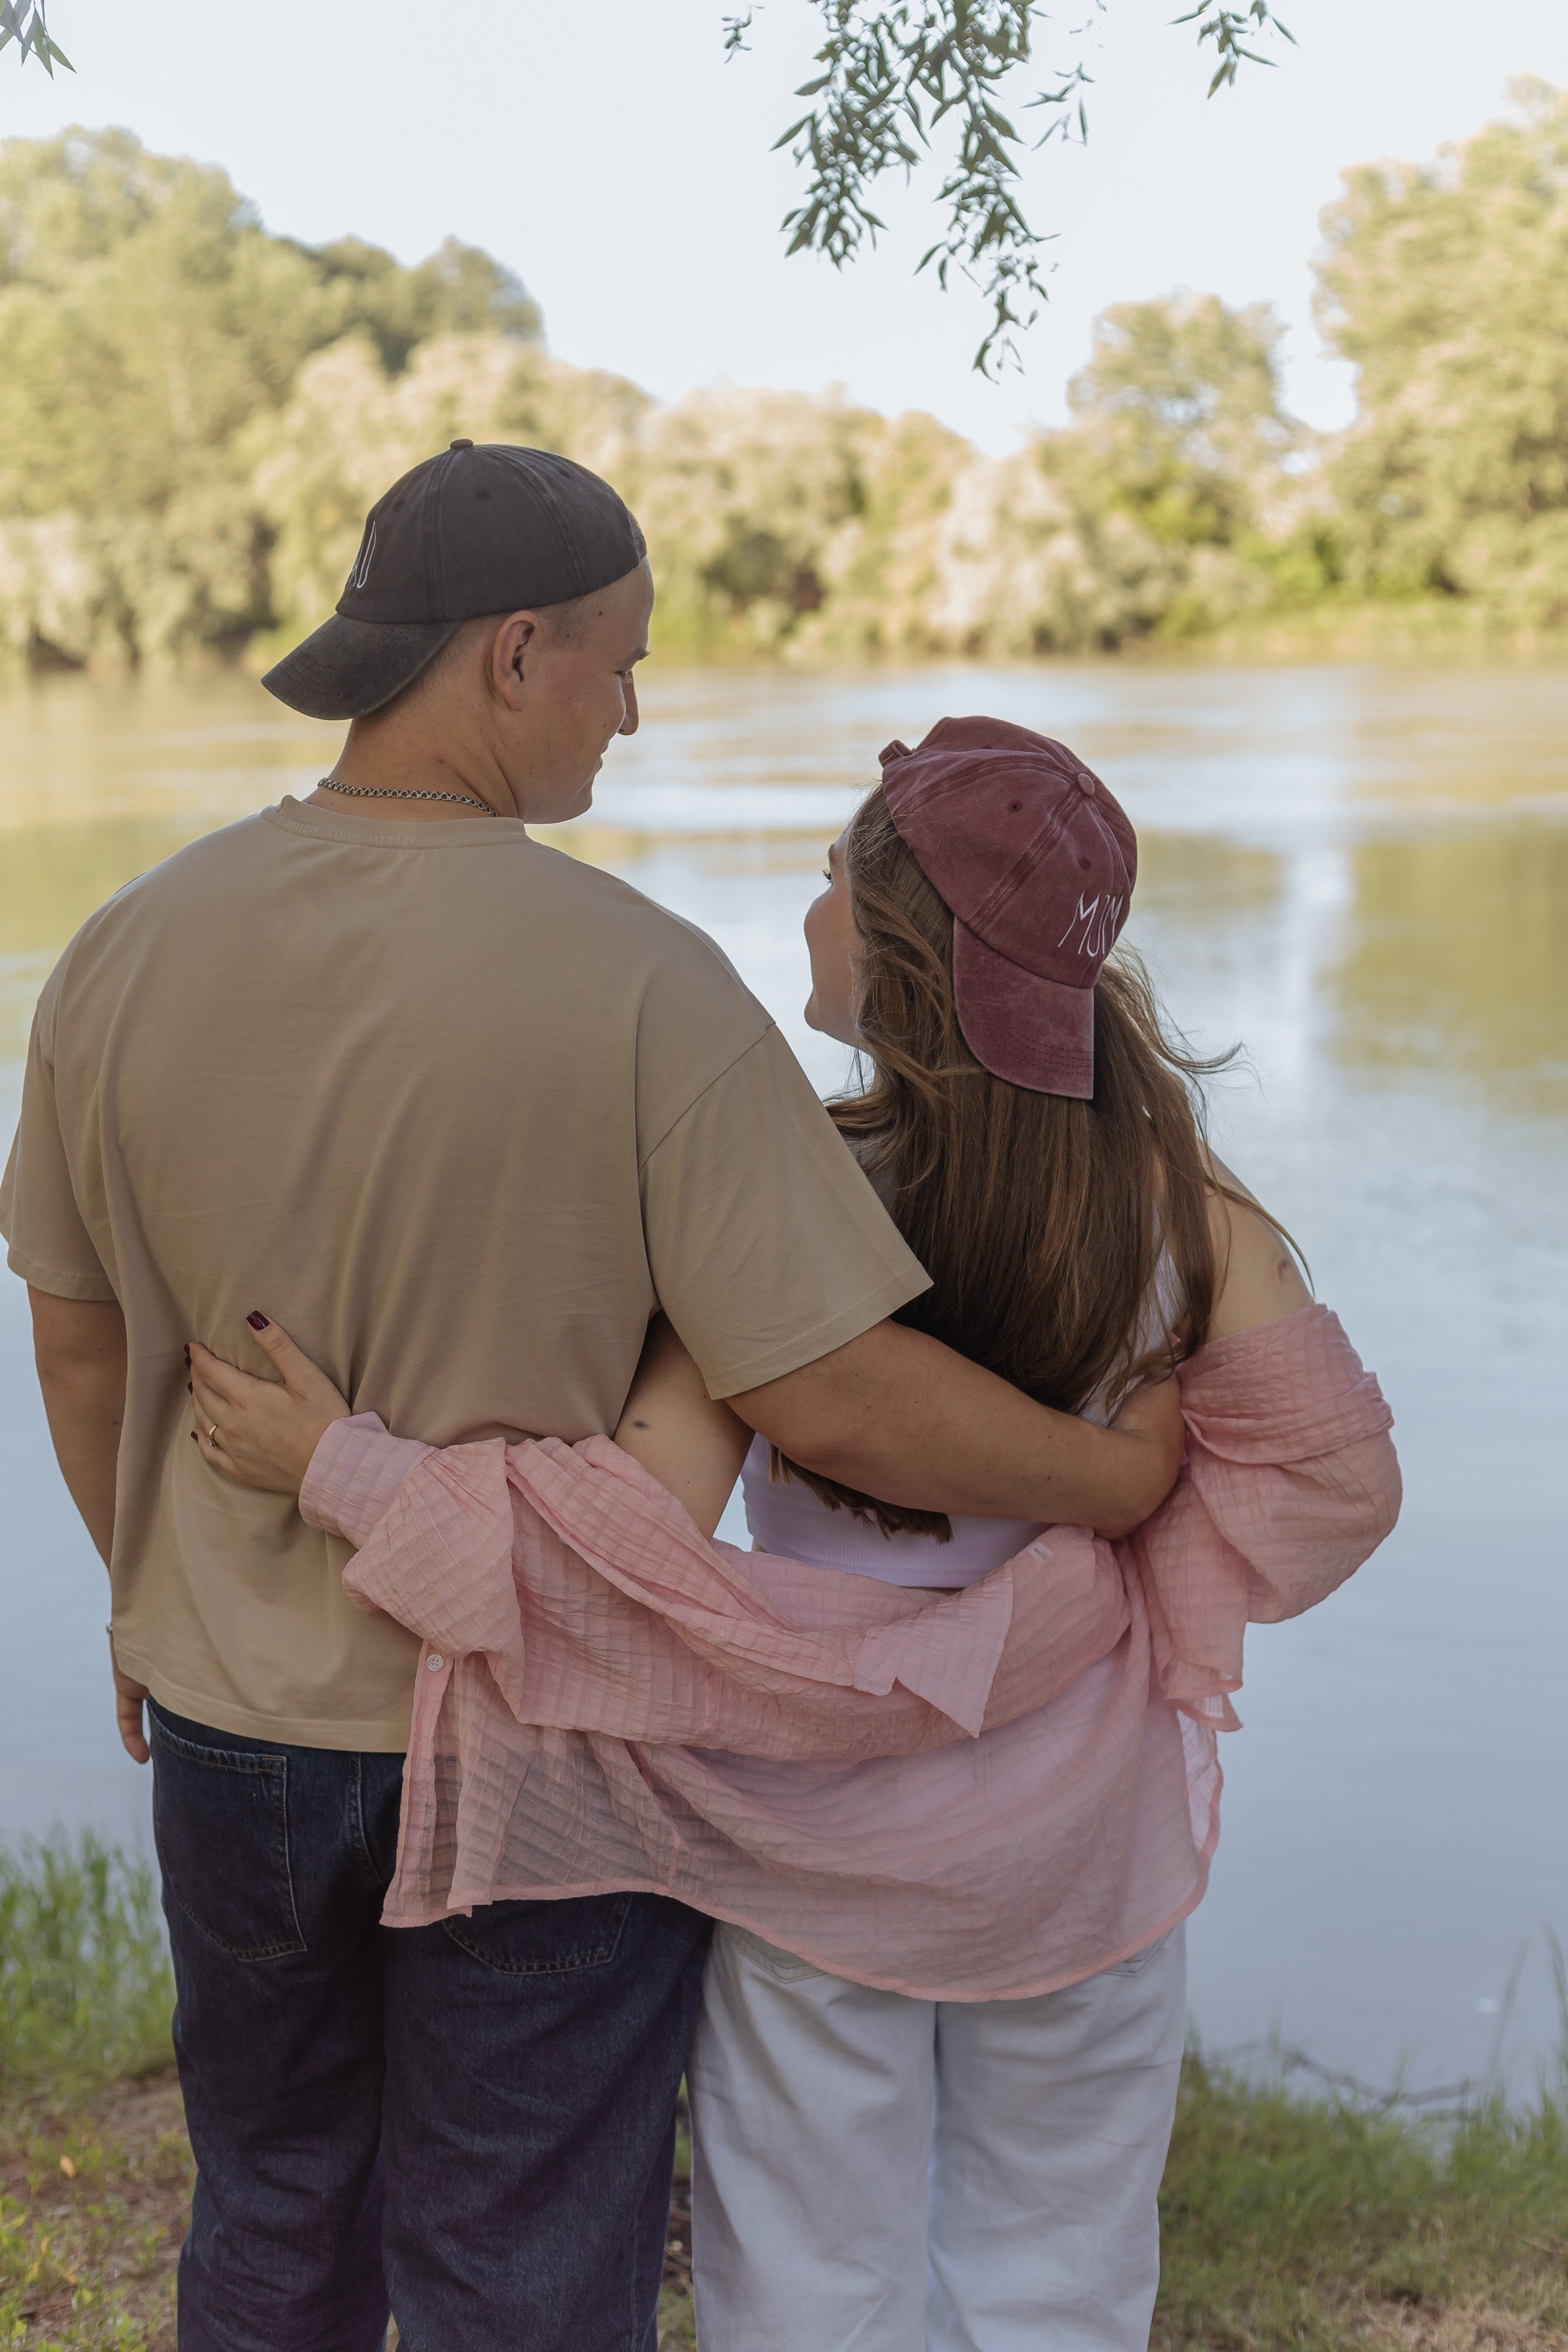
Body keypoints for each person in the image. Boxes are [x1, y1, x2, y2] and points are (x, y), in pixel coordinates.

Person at [1, 455, 1185, 2352]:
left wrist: (150, 1596)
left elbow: (77, 1341)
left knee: (274, 2207)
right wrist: (1112, 1478)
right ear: (515, 651)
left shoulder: (121, 949)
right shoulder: (646, 986)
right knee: (524, 2260)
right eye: (621, 668)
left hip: (232, 1728)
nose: (633, 714)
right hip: (547, 1726)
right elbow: (834, 1396)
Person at [187, 717, 1401, 2352]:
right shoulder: (1182, 1204)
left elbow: (622, 1537)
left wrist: (343, 1466)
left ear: (906, 952)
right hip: (1080, 1848)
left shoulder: (792, 1192)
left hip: (815, 1845)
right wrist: (1117, 1566)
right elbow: (1333, 1488)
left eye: (832, 880)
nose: (810, 907)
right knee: (1063, 2264)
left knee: (807, 2283)